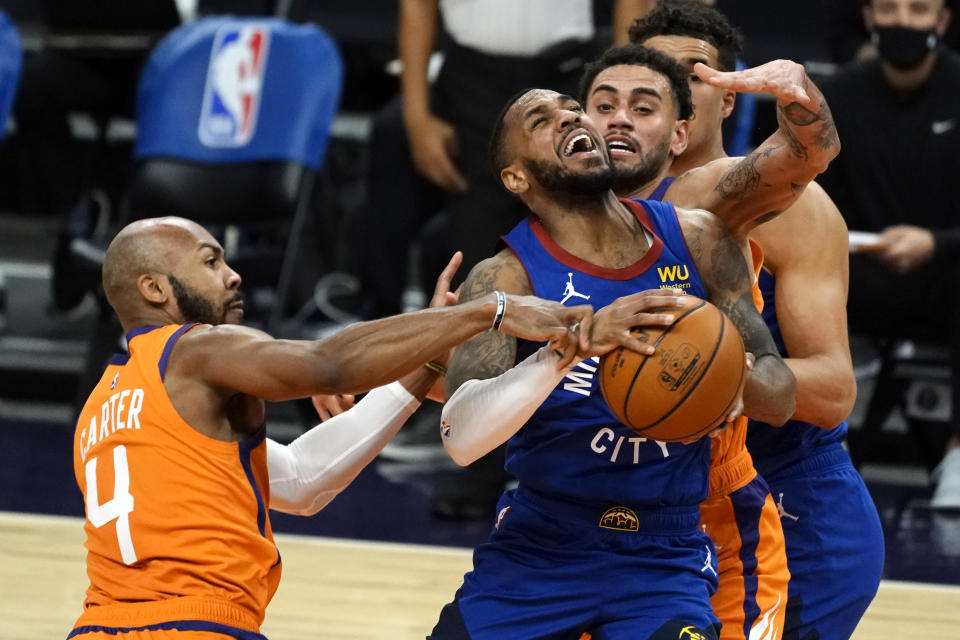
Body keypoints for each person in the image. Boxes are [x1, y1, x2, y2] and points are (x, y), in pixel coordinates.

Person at [68, 216, 594, 639]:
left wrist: (425, 361)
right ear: (155, 288)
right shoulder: (196, 348)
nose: (233, 274)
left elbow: (301, 481)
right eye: (211, 261)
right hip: (192, 626)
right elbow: (330, 364)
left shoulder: (102, 407)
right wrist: (488, 311)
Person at [427, 59, 796, 638]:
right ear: (516, 178)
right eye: (541, 119)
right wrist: (568, 349)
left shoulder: (696, 238)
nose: (569, 115)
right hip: (540, 546)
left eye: (571, 108)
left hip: (663, 552)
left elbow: (779, 397)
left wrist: (726, 381)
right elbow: (461, 440)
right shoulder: (505, 279)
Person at [611, 2, 881, 638]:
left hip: (791, 500)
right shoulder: (600, 208)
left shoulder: (792, 208)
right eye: (653, 75)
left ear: (729, 98)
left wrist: (702, 377)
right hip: (663, 506)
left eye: (691, 74)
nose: (670, 90)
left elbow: (833, 390)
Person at [818, 0, 960, 511]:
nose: (903, 21)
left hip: (946, 273)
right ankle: (817, 451)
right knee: (780, 270)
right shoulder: (834, 97)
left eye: (919, 10)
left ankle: (957, 454)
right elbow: (806, 204)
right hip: (856, 270)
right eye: (890, 9)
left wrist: (934, 242)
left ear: (942, 22)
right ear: (869, 18)